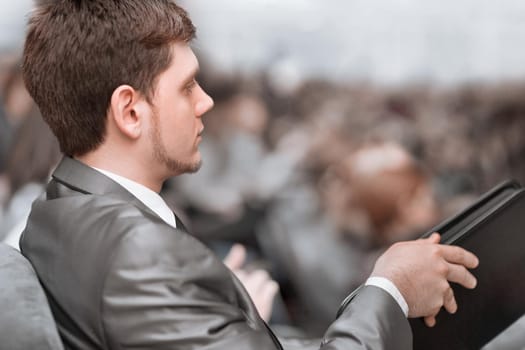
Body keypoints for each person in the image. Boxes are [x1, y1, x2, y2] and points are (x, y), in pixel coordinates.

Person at [20, 1, 478, 349]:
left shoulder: (57, 208)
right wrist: (390, 289)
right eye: (186, 87)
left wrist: (226, 318)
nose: (205, 102)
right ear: (130, 110)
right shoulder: (139, 250)